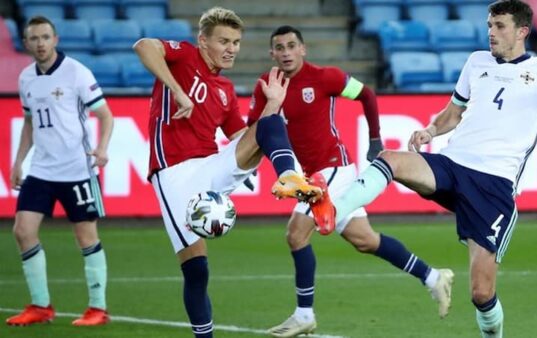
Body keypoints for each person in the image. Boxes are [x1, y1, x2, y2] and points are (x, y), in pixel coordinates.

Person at [309, 1, 537, 337]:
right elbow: (453, 113)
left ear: (522, 31)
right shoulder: (476, 62)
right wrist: (430, 131)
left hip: (493, 186)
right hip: (453, 163)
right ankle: (332, 210)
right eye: (490, 24)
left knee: (481, 293)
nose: (491, 32)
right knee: (390, 159)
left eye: (500, 26)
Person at [247, 26, 455, 338]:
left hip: (333, 168)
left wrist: (375, 138)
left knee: (296, 234)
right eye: (280, 47)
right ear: (272, 53)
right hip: (309, 174)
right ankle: (432, 276)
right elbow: (256, 129)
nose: (287, 52)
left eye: (292, 45)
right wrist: (249, 166)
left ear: (303, 49)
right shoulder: (267, 85)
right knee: (365, 240)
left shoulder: (325, 77)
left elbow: (366, 94)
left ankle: (304, 315)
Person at [133, 7, 323, 338]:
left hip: (212, 168)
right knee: (197, 271)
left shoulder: (224, 89)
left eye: (236, 42)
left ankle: (292, 179)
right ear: (203, 41)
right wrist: (177, 91)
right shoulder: (184, 57)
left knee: (267, 123)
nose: (232, 48)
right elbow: (143, 46)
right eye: (224, 41)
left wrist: (272, 104)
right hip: (174, 174)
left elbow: (242, 138)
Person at [6, 16, 114, 327]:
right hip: (41, 169)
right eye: (34, 38)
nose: (40, 43)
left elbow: (106, 116)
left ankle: (98, 308)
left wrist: (103, 149)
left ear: (55, 39)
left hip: (77, 170)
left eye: (45, 37)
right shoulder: (26, 78)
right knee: (23, 232)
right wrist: (18, 162)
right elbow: (29, 123)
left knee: (85, 236)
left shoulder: (77, 73)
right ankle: (40, 306)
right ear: (26, 44)